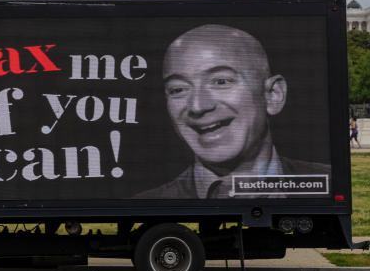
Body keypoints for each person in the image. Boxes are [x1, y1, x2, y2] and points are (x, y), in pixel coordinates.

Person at [137, 24, 329, 199]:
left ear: (273, 95)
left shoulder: (328, 182)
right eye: (178, 90)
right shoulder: (149, 201)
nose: (198, 106)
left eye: (221, 82)